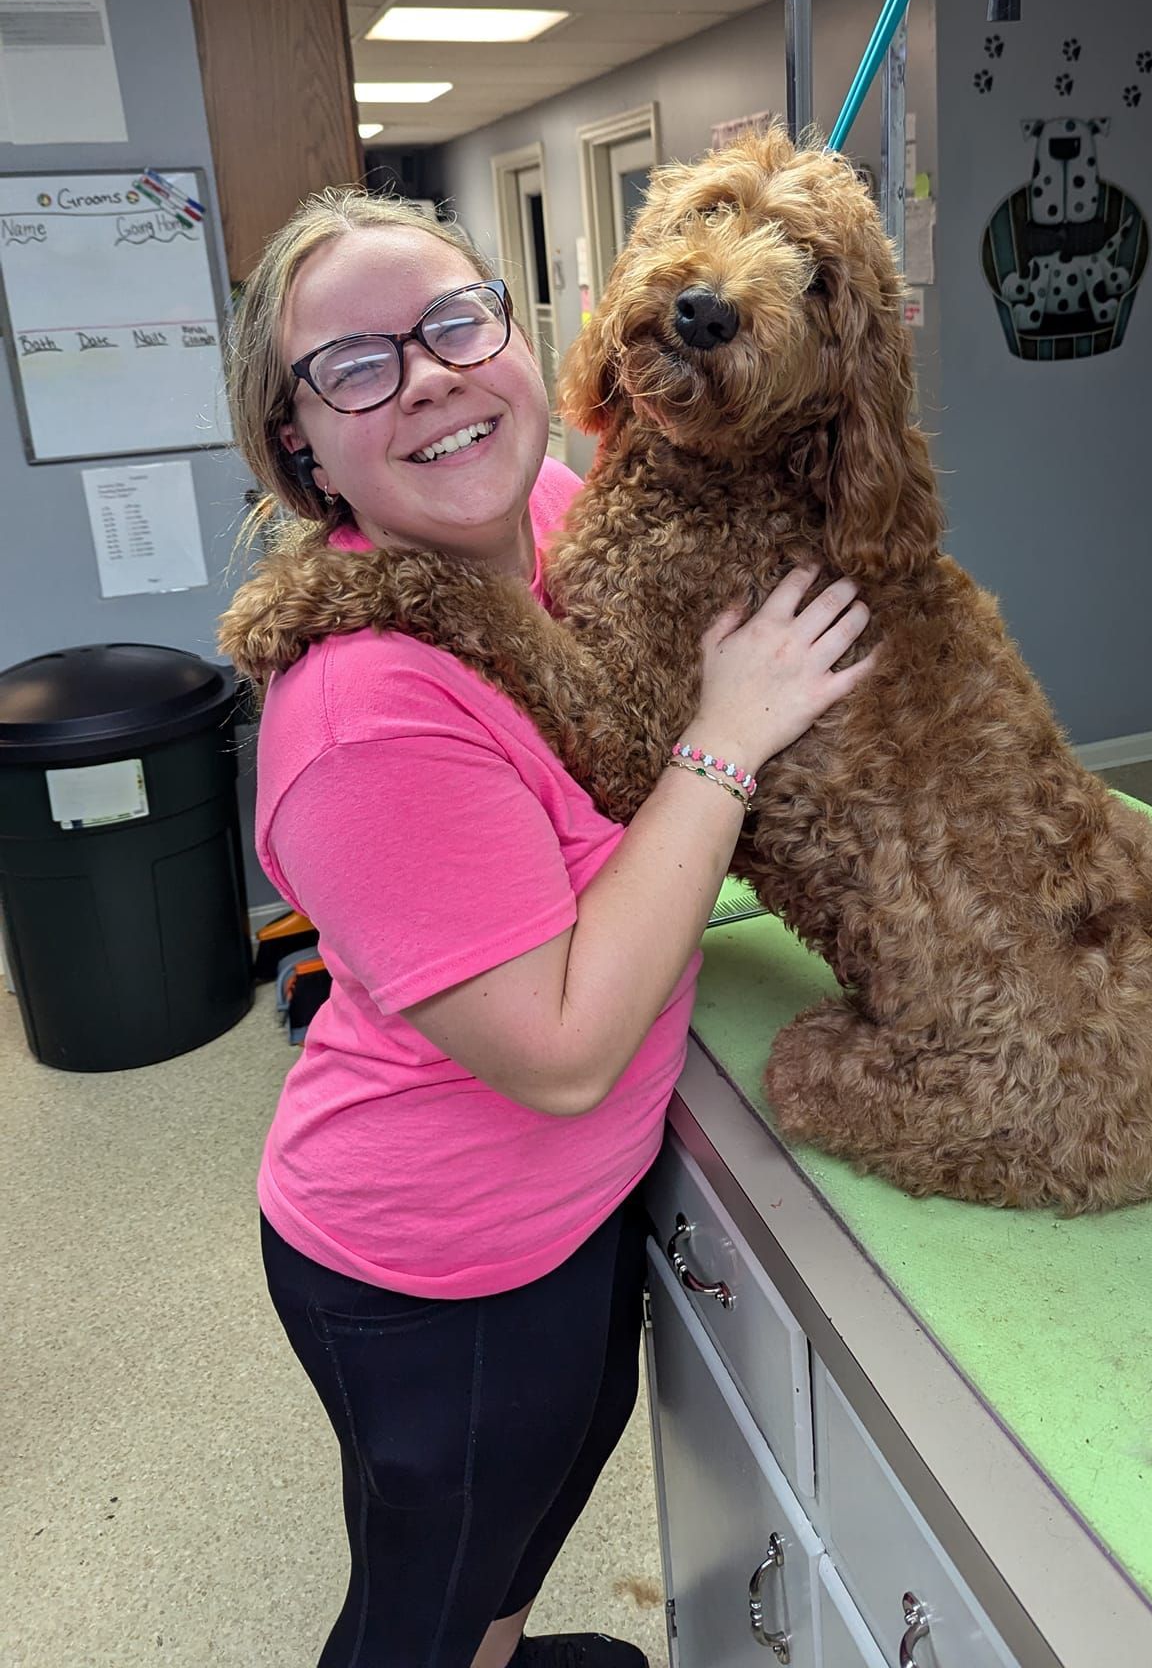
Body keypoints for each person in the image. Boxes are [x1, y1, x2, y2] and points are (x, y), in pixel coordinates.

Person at [222, 188, 874, 1668]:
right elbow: (565, 1050)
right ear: (299, 445)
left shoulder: (558, 528)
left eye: (454, 323)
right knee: (421, 1606)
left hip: (570, 1214)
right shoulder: (363, 711)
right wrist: (728, 739)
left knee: (532, 1515)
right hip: (430, 1257)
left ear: (519, 340)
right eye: (357, 364)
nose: (434, 375)